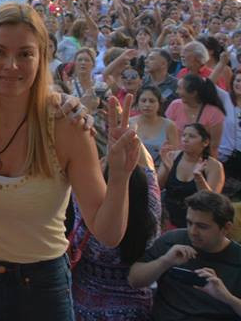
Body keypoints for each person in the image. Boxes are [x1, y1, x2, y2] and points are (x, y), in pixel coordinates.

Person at [0, 3, 140, 321]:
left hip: (40, 288)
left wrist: (120, 176)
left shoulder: (66, 125)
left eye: (25, 54)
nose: (11, 65)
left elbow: (108, 233)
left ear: (41, 59)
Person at [129, 190, 241, 319]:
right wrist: (165, 261)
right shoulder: (171, 240)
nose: (193, 231)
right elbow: (134, 280)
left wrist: (227, 297)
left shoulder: (237, 259)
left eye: (202, 226)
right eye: (189, 223)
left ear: (226, 228)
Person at [69, 165, 161, 321]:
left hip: (83, 307)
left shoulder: (87, 214)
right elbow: (149, 175)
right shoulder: (151, 213)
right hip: (134, 309)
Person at [159, 123, 225, 229]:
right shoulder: (172, 156)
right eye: (184, 135)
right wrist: (167, 169)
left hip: (197, 222)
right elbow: (158, 187)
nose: (185, 139)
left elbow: (211, 202)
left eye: (192, 136)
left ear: (205, 142)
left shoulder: (214, 166)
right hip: (168, 218)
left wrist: (199, 177)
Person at [166, 74, 226, 157]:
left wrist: (210, 167)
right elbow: (166, 135)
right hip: (174, 158)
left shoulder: (214, 113)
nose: (176, 91)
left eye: (180, 88)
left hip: (199, 161)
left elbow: (214, 146)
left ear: (193, 93)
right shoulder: (175, 105)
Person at [131, 86, 178, 166]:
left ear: (159, 103)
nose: (147, 104)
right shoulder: (130, 123)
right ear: (137, 103)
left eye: (152, 101)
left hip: (160, 171)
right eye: (143, 101)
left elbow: (174, 155)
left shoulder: (169, 125)